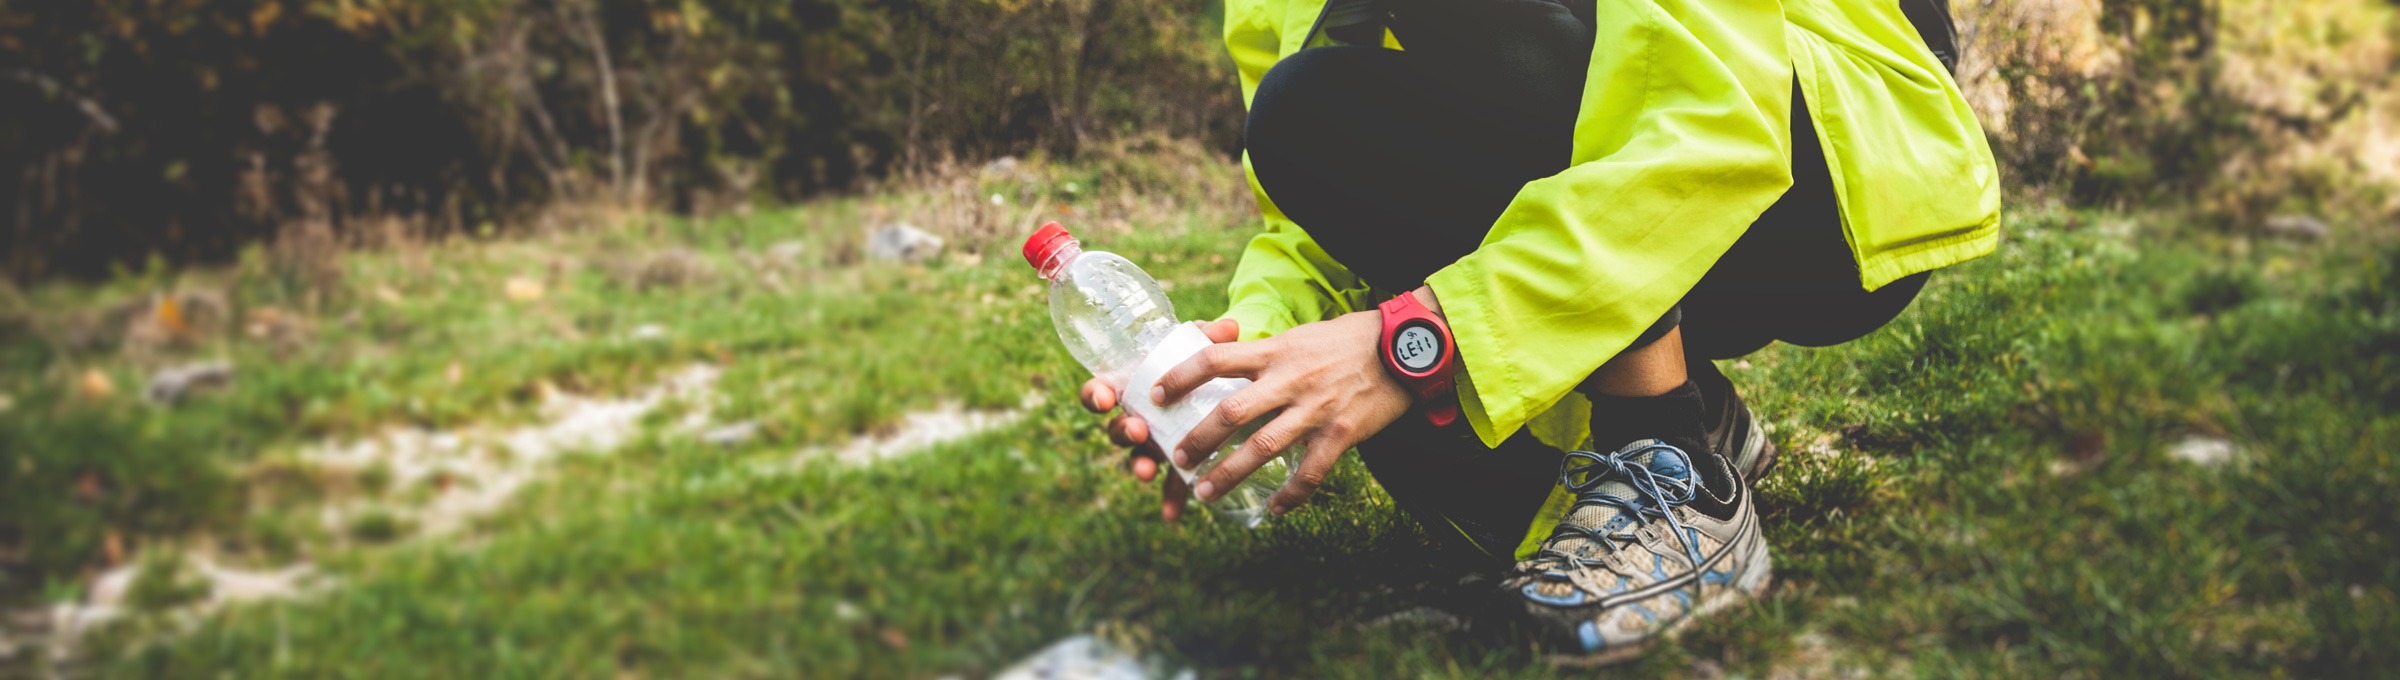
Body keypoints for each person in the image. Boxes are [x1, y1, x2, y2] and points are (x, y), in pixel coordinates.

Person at [1075, 0, 1999, 662]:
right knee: (1301, 101)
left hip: (1817, 165)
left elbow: (1710, 119)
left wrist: (1420, 341)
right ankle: (1705, 410)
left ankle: (1674, 460)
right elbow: (1315, 182)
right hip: (1641, 161)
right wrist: (1238, 358)